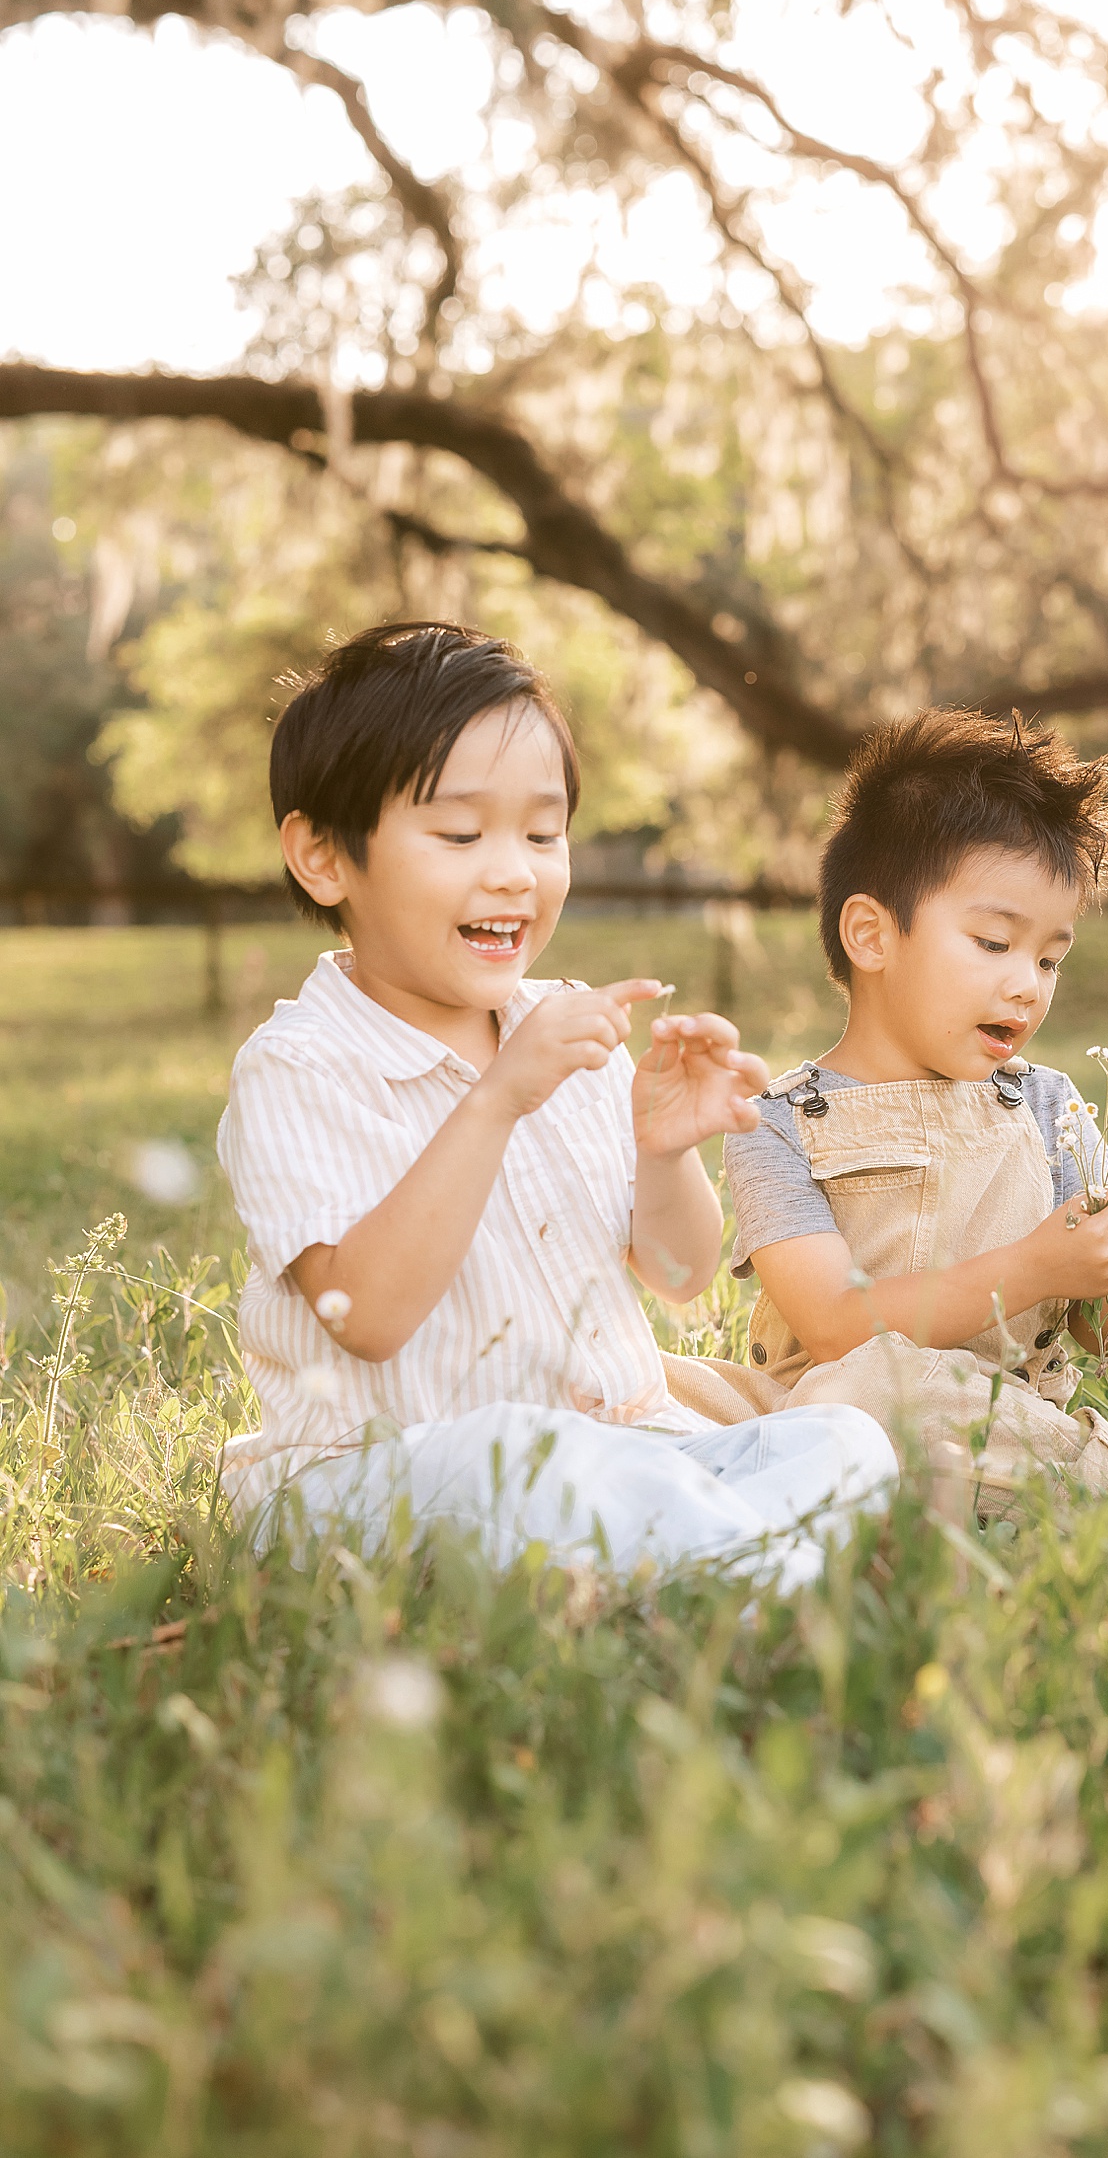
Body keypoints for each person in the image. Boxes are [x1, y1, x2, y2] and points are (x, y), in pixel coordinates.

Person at [216, 621, 895, 1595]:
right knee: (542, 1460)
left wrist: (663, 1153)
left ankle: (710, 1556)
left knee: (844, 1439)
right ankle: (758, 1579)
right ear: (324, 857)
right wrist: (497, 1100)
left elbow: (679, 1273)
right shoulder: (300, 1067)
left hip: (617, 1450)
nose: (514, 870)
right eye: (460, 833)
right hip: (383, 1475)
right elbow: (361, 1315)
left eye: (543, 833)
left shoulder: (563, 1032)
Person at [720, 710, 1108, 1507]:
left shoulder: (1047, 1108)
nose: (1027, 985)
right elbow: (836, 1325)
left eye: (1049, 958)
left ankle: (1087, 1484)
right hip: (815, 1416)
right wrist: (1030, 1267)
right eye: (994, 944)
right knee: (664, 1391)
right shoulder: (776, 1124)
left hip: (987, 1421)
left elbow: (1100, 1327)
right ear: (872, 936)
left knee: (890, 1405)